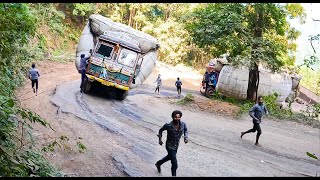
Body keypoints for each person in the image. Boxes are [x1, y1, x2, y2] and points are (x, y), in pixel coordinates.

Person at [155, 110, 188, 177]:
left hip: (176, 145)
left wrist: (185, 137)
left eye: (178, 117)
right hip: (169, 146)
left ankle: (158, 163)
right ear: (172, 117)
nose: (177, 119)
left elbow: (185, 130)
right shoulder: (168, 125)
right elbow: (161, 130)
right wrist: (160, 139)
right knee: (174, 164)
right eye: (175, 117)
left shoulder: (183, 124)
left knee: (170, 157)